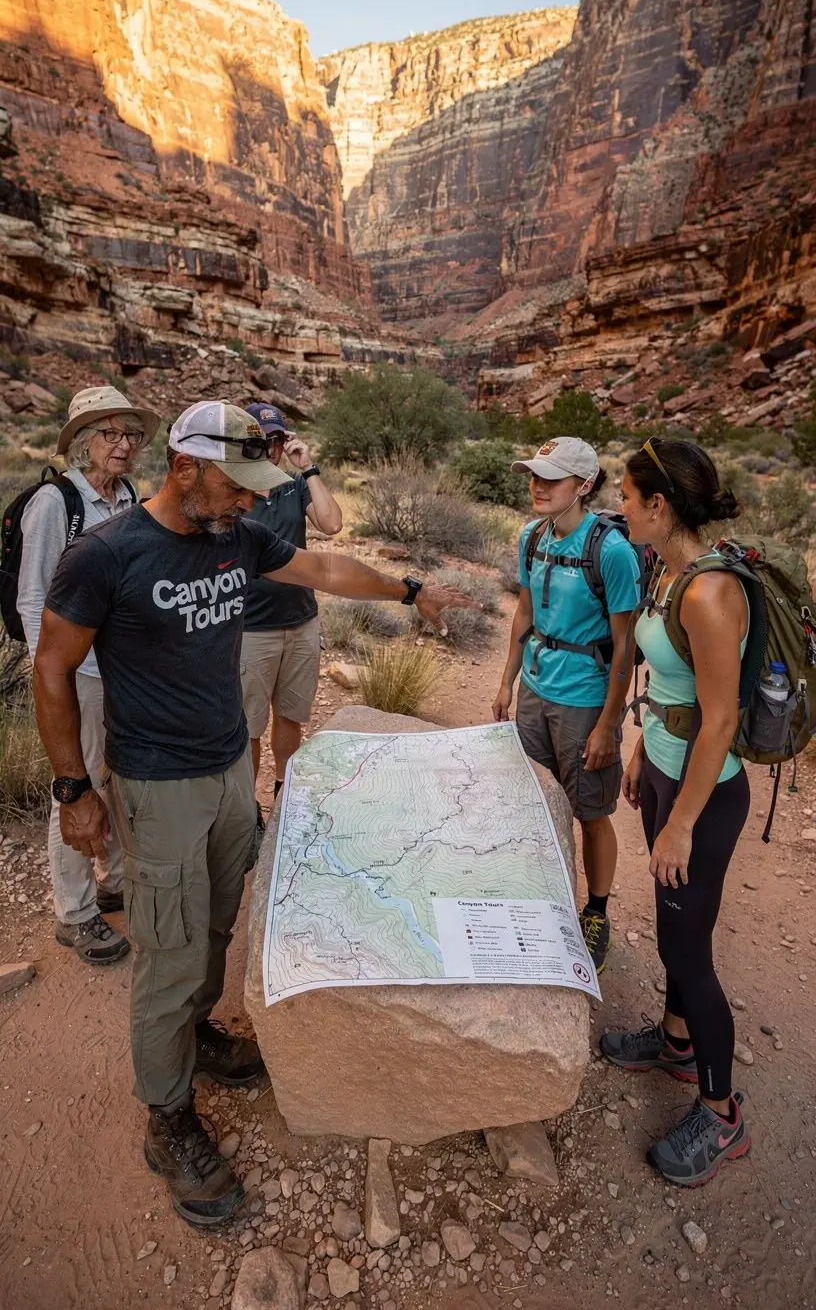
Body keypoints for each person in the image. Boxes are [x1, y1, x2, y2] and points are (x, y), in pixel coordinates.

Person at [32, 400, 472, 1228]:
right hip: (159, 783)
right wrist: (72, 790)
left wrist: (411, 588)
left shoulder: (234, 535)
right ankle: (166, 1119)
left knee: (218, 922)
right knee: (166, 947)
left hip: (232, 765)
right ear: (184, 467)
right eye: (238, 486)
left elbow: (322, 571)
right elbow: (51, 669)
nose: (248, 503)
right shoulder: (107, 554)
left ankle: (195, 1035)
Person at [601, 436, 751, 1187]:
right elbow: (673, 685)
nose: (618, 507)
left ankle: (724, 1116)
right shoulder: (669, 570)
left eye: (626, 497)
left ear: (659, 506)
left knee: (689, 952)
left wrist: (682, 822)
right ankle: (675, 1041)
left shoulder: (711, 592)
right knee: (670, 929)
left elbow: (720, 721)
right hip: (664, 772)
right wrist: (638, 750)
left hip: (705, 795)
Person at [17, 385, 159, 965]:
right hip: (80, 672)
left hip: (125, 670)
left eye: (131, 434)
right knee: (76, 787)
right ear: (81, 442)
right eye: (110, 434)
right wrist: (53, 676)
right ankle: (74, 915)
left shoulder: (127, 496)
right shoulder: (55, 504)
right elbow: (33, 600)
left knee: (121, 777)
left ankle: (118, 882)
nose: (124, 445)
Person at [492, 437, 641, 972]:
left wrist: (608, 724)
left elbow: (624, 646)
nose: (537, 486)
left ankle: (595, 911)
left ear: (583, 486)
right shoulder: (532, 537)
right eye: (533, 475)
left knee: (592, 812)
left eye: (550, 479)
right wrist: (507, 681)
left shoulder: (613, 552)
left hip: (583, 700)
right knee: (536, 800)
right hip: (535, 689)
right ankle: (542, 896)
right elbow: (524, 613)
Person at [240, 403, 342, 800]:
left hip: (300, 621)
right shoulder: (236, 491)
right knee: (248, 726)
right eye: (263, 440)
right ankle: (247, 809)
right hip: (250, 627)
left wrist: (309, 468)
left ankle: (284, 794)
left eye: (278, 439)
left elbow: (332, 524)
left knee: (290, 716)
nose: (272, 448)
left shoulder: (293, 486)